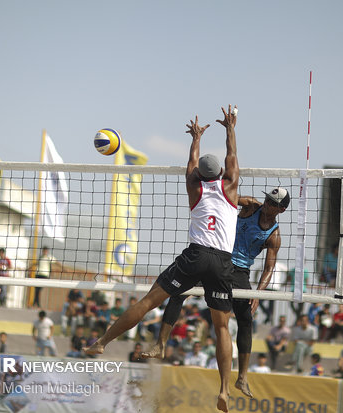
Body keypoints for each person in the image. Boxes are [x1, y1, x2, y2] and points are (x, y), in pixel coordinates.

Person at [84, 105, 239, 413]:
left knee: (147, 302)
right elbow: (232, 154)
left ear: (199, 176)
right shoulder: (232, 185)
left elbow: (192, 161)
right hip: (223, 261)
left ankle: (102, 342)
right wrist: (230, 127)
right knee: (222, 328)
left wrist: (195, 137)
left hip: (195, 255)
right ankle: (223, 390)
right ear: (221, 173)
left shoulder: (194, 186)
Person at [142, 186, 290, 398]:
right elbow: (227, 199)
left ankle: (243, 377)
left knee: (246, 319)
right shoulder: (250, 206)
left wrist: (259, 293)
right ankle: (160, 344)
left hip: (240, 271)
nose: (266, 204)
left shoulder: (274, 235)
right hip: (219, 258)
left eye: (272, 203)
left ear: (281, 210)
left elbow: (268, 269)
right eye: (267, 200)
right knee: (178, 294)